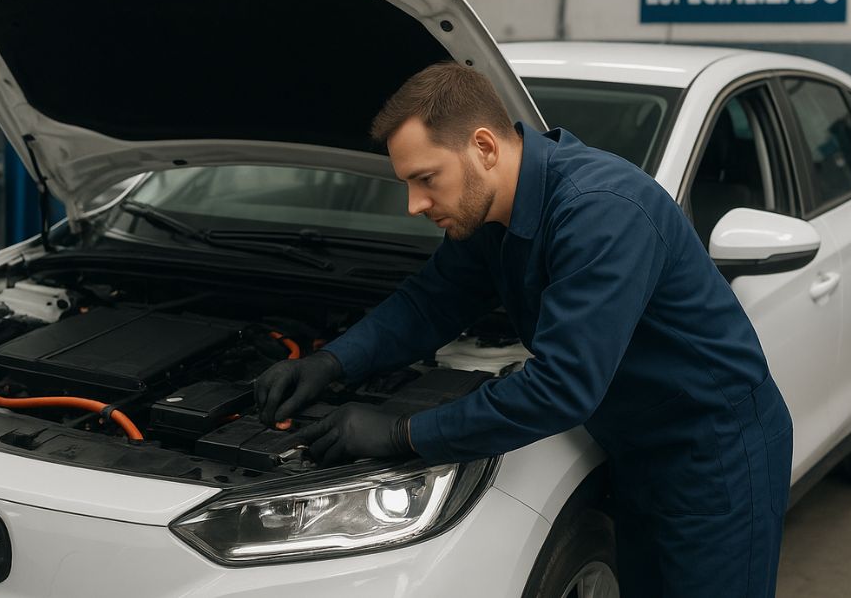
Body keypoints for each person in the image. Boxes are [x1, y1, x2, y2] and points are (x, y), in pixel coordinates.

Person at [255, 61, 792, 597]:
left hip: (715, 456)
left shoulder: (600, 213)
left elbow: (563, 387)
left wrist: (402, 434)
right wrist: (331, 362)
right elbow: (430, 302)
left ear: (484, 147)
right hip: (640, 449)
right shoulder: (493, 214)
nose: (415, 204)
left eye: (425, 179)